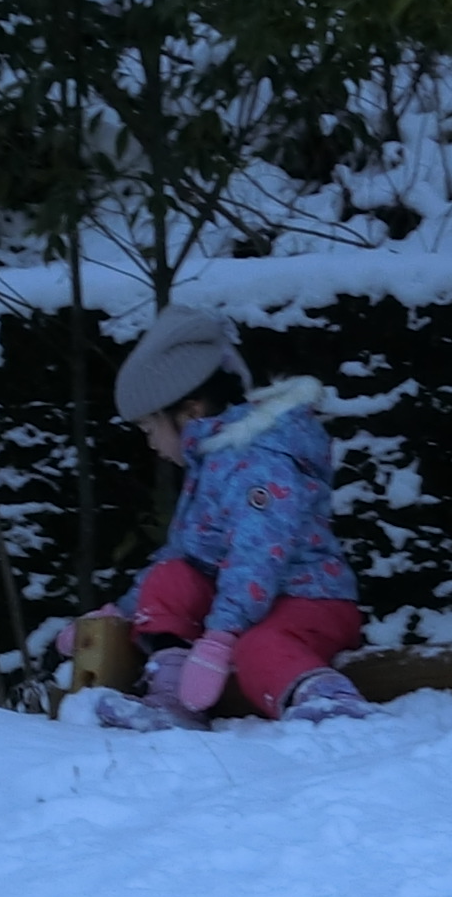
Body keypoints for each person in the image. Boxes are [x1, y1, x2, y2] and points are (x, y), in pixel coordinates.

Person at [69, 307, 367, 729]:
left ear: (190, 413)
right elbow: (187, 558)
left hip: (311, 602)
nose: (150, 444)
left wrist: (222, 635)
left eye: (149, 428)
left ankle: (330, 703)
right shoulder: (212, 464)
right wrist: (117, 614)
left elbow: (257, 557)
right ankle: (170, 695)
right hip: (250, 607)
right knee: (171, 577)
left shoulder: (258, 459)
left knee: (258, 647)